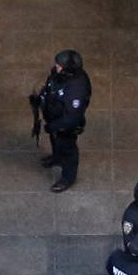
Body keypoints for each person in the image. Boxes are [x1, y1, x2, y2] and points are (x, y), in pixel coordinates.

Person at [33, 48, 91, 192]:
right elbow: (51, 86)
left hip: (64, 126)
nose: (56, 67)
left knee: (68, 150)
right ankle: (56, 157)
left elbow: (71, 117)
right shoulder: (61, 75)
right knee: (55, 141)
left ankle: (68, 178)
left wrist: (53, 126)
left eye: (59, 65)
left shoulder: (77, 88)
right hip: (53, 118)